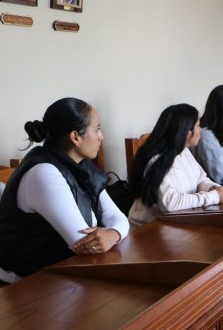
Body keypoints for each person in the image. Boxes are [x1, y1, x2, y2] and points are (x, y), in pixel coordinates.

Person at [0, 98, 129, 282]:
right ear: (75, 137)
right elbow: (81, 243)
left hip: (64, 271)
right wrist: (107, 234)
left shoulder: (82, 165)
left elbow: (117, 217)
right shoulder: (44, 173)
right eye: (97, 129)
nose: (101, 136)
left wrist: (113, 234)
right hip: (28, 284)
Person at [128, 104, 223, 226]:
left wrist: (212, 188)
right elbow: (171, 203)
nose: (200, 129)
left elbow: (201, 179)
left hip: (176, 224)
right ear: (187, 132)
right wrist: (213, 197)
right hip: (148, 230)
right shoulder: (156, 161)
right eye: (198, 126)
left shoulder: (183, 151)